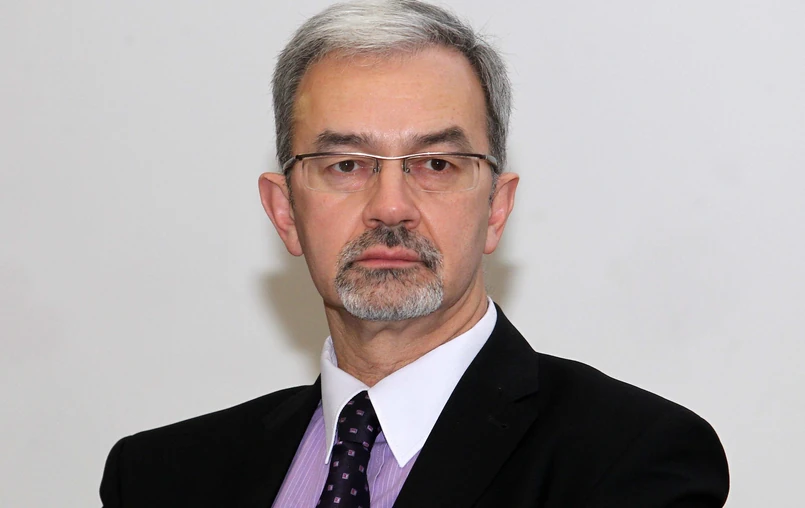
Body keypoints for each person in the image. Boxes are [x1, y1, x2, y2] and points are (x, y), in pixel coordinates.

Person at [99, 1, 730, 506]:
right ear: (285, 213)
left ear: (497, 209)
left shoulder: (630, 459)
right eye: (346, 165)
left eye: (436, 164)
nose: (391, 206)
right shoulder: (159, 478)